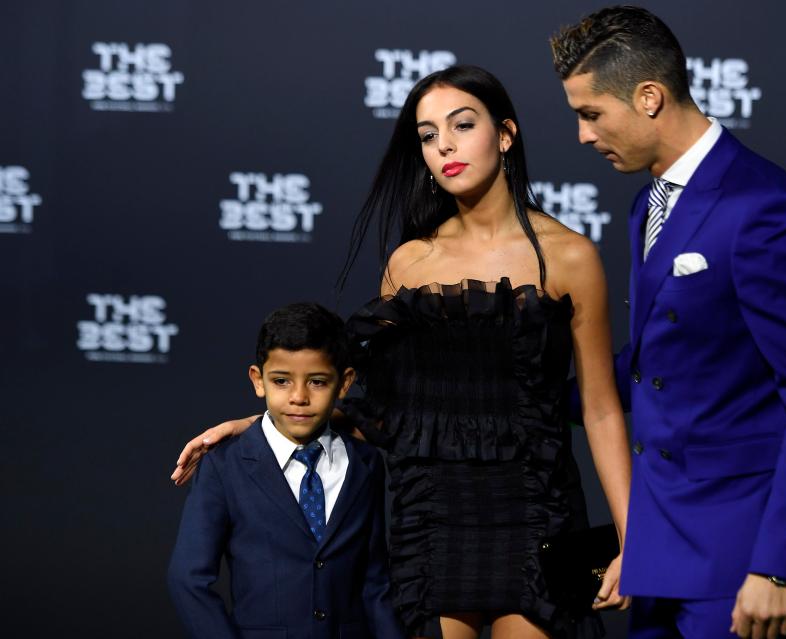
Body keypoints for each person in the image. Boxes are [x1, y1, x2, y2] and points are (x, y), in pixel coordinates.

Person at [171, 66, 632, 639]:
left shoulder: (569, 258)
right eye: (428, 134)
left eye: (462, 125)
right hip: (431, 519)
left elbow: (602, 408)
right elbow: (386, 406)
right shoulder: (409, 264)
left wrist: (635, 540)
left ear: (506, 134)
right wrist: (255, 424)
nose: (445, 146)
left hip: (538, 515)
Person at [550, 6, 786, 639]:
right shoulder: (649, 202)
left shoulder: (764, 208)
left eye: (590, 114)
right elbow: (665, 359)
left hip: (744, 550)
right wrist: (533, 395)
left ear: (650, 97)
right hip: (662, 544)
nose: (582, 135)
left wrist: (775, 569)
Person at [167, 302, 402, 639]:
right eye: (281, 381)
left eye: (318, 382)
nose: (299, 397)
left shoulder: (365, 463)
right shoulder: (226, 463)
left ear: (345, 383)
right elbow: (188, 579)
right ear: (258, 381)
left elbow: (375, 581)